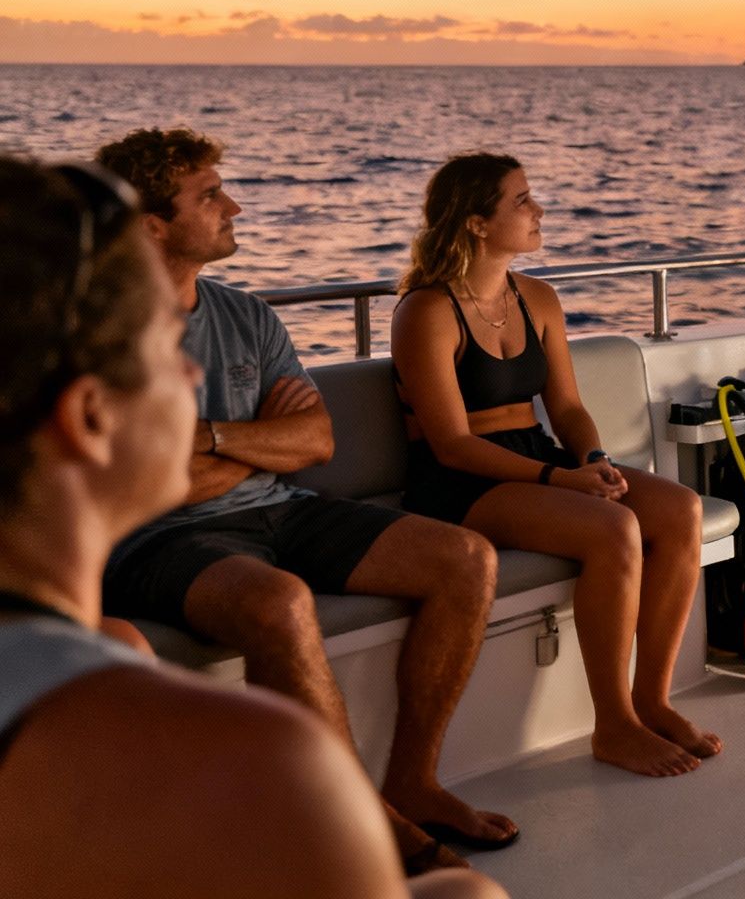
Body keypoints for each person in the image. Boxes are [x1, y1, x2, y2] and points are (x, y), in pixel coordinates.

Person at [0, 155, 502, 899]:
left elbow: (316, 440)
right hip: (176, 548)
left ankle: (412, 782)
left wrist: (217, 443)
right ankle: (385, 824)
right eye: (158, 355)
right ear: (87, 419)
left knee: (462, 556)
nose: (194, 379)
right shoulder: (248, 758)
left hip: (283, 512)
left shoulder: (246, 314)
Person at [391, 152, 721, 777]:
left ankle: (652, 699)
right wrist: (561, 480)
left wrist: (592, 459)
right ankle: (614, 724)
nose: (538, 210)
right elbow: (452, 444)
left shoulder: (537, 298)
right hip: (461, 482)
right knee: (613, 528)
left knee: (680, 510)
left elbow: (566, 408)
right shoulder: (427, 311)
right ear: (476, 223)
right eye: (521, 200)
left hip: (539, 461)